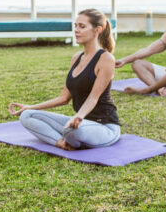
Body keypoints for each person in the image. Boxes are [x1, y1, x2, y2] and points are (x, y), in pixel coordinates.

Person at [8, 9, 120, 151]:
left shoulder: (105, 59)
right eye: (76, 26)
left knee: (71, 130)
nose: (76, 30)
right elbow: (64, 98)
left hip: (104, 126)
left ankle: (71, 137)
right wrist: (29, 107)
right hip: (81, 123)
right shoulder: (76, 58)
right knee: (27, 116)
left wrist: (79, 116)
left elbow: (93, 98)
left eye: (82, 26)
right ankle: (61, 143)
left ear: (97, 30)